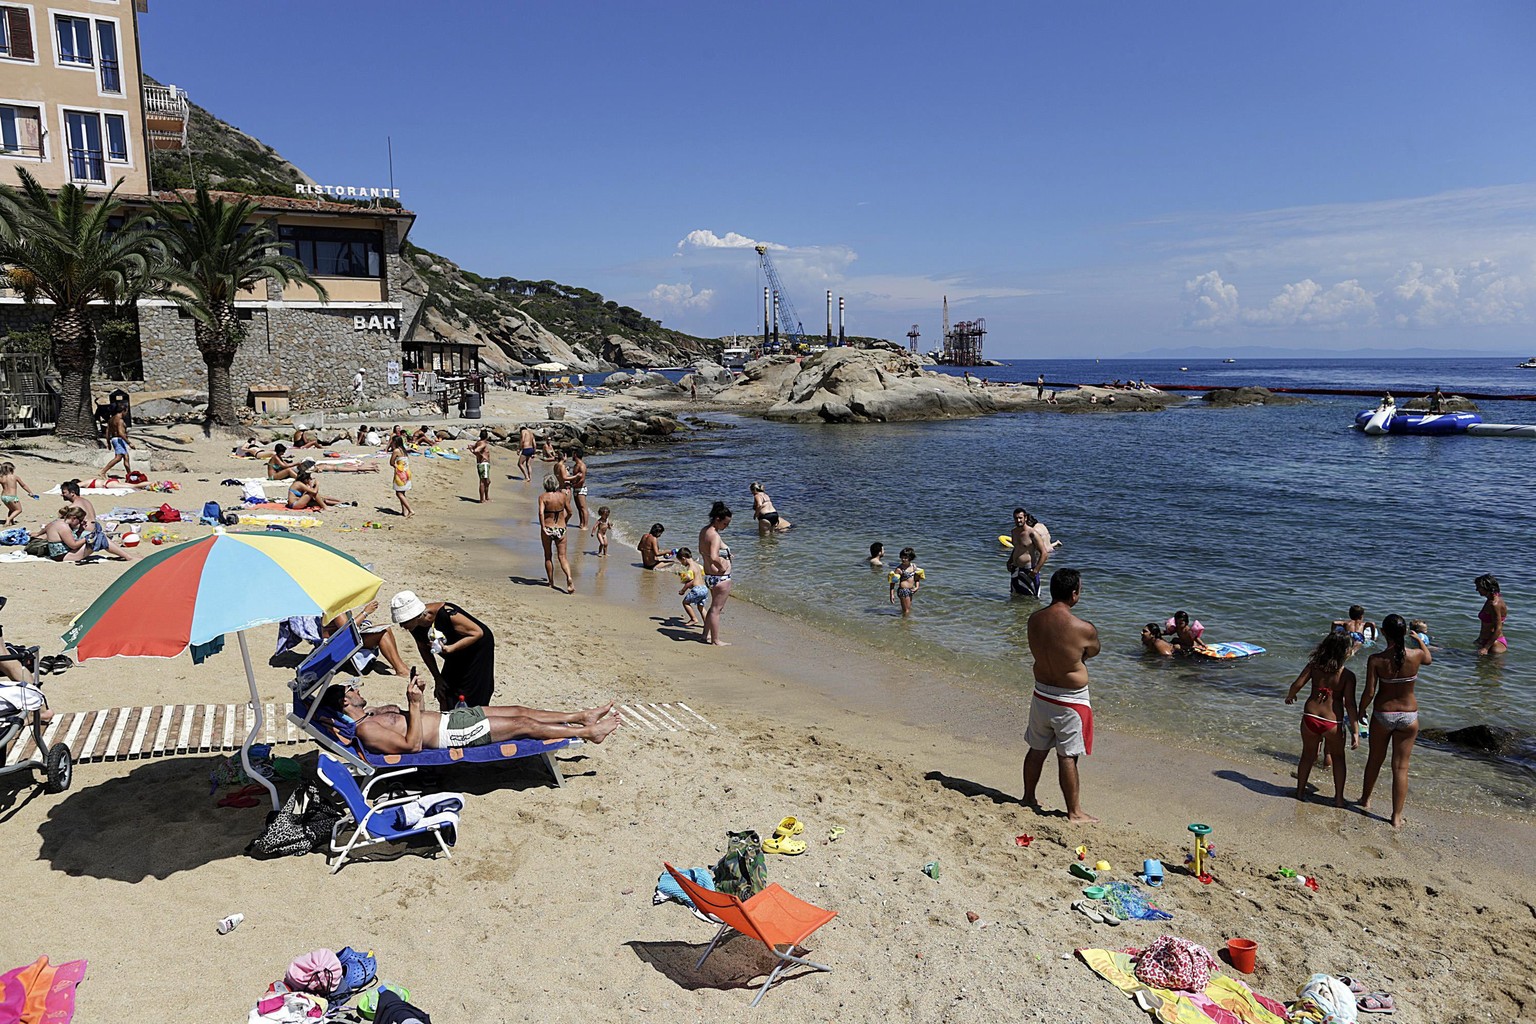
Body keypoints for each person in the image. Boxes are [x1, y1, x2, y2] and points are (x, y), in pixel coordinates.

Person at [320, 672, 618, 754]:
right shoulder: (366, 730)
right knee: (523, 724)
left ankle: (581, 716)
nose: (357, 691)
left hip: (450, 720)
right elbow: (413, 745)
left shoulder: (371, 715)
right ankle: (588, 733)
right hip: (451, 734)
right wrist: (411, 705)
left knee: (519, 710)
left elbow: (417, 718)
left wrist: (417, 697)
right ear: (345, 702)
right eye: (352, 691)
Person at [1023, 568, 1100, 823]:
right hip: (1071, 700)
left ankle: (1028, 797)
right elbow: (1092, 651)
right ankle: (1074, 812)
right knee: (1067, 755)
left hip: (1042, 692)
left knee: (1037, 748)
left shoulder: (1034, 619)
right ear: (1074, 594)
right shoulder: (1083, 628)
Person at [1359, 614, 1431, 828]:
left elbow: (1370, 691)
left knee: (1375, 759)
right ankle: (1396, 817)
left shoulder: (1376, 659)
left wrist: (1361, 709)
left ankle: (1365, 800)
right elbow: (1429, 658)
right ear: (1403, 633)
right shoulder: (1416, 655)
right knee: (1401, 768)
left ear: (1383, 633)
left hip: (1383, 714)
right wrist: (1418, 640)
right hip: (1409, 716)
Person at [1284, 631, 1360, 807]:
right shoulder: (1347, 676)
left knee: (1307, 756)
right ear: (1345, 652)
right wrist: (1355, 730)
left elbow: (1296, 684)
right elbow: (1350, 705)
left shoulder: (1314, 666)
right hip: (1332, 723)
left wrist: (1291, 696)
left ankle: (1301, 791)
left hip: (1310, 717)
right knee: (1339, 758)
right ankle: (1339, 799)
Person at [389, 591, 498, 711]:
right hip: (452, 652)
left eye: (404, 622)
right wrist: (437, 677)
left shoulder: (447, 613)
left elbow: (477, 633)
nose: (402, 626)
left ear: (415, 615)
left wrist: (451, 648)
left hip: (477, 649)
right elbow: (423, 648)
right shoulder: (414, 625)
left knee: (471, 691)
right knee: (445, 690)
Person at [323, 602, 409, 678]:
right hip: (339, 645)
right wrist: (365, 612)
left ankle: (399, 665)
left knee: (387, 629)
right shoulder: (335, 607)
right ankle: (401, 670)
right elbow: (348, 629)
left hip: (344, 640)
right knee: (383, 634)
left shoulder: (337, 604)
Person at [699, 501, 733, 646]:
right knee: (716, 609)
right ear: (717, 520)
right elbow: (713, 556)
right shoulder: (715, 536)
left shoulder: (704, 531)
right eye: (725, 524)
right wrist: (722, 565)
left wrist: (726, 555)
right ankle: (715, 640)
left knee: (714, 607)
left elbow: (704, 551)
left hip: (709, 576)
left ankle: (704, 635)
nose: (726, 527)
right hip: (720, 577)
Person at [1007, 508, 1059, 598]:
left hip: (1029, 571)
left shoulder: (1032, 533)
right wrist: (1010, 561)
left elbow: (1044, 553)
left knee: (1032, 598)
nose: (1018, 520)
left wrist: (1036, 570)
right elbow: (1016, 548)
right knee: (1015, 596)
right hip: (1015, 569)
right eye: (1016, 518)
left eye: (1020, 518)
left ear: (1025, 518)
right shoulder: (1014, 532)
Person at [536, 475, 574, 593]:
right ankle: (569, 577)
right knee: (562, 557)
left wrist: (543, 527)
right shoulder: (563, 496)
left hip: (548, 528)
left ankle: (551, 581)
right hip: (561, 528)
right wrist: (565, 522)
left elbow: (541, 513)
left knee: (548, 556)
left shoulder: (543, 497)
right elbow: (570, 512)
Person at [1473, 573, 1508, 656]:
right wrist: (1479, 639)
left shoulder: (1494, 604)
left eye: (1479, 587)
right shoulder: (1490, 600)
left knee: (1492, 668)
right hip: (1486, 642)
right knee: (1482, 668)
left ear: (1487, 587)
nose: (1477, 590)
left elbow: (1498, 628)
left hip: (1494, 644)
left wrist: (1486, 648)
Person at [675, 547, 708, 627]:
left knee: (685, 603)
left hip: (697, 590)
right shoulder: (698, 565)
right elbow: (702, 574)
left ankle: (693, 619)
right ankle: (707, 623)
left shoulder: (690, 568)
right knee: (701, 607)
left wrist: (683, 590)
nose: (682, 564)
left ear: (683, 558)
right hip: (704, 588)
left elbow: (690, 581)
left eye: (681, 561)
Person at [887, 547, 925, 616]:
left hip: (910, 590)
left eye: (905, 558)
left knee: (907, 609)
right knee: (906, 611)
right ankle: (905, 625)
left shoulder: (913, 566)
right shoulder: (899, 569)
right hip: (903, 591)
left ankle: (904, 622)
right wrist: (891, 594)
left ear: (910, 558)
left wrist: (917, 587)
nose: (903, 559)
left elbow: (917, 578)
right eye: (902, 557)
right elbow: (893, 582)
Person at [102, 401, 132, 476]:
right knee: (118, 458)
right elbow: (121, 433)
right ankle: (103, 472)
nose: (126, 413)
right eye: (126, 411)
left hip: (115, 439)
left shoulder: (111, 419)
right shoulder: (120, 420)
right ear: (123, 410)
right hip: (119, 440)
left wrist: (108, 442)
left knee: (126, 457)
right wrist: (129, 443)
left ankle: (129, 475)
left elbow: (107, 431)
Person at [390, 436, 414, 518]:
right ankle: (405, 512)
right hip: (407, 472)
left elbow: (391, 462)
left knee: (398, 493)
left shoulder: (396, 451)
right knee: (402, 493)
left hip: (400, 473)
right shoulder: (404, 450)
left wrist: (396, 466)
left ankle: (410, 510)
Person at [568, 446, 590, 530]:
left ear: (576, 455)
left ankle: (585, 525)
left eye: (573, 454)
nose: (572, 456)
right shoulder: (575, 465)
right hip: (576, 488)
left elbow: (582, 479)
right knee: (578, 508)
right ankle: (581, 523)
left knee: (583, 507)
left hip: (581, 489)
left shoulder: (582, 466)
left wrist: (574, 485)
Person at [469, 430, 492, 504]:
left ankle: (486, 497)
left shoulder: (478, 442)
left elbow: (474, 449)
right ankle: (482, 499)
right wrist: (482, 456)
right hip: (484, 464)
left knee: (487, 481)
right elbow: (476, 450)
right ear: (487, 436)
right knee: (483, 482)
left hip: (482, 464)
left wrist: (471, 449)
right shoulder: (483, 444)